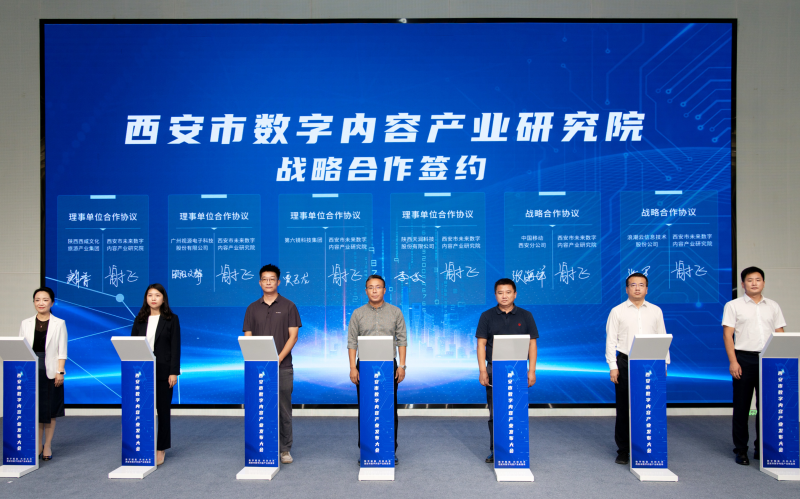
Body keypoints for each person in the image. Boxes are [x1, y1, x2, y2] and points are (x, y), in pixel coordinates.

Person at [722, 266, 786, 466]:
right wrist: (733, 361)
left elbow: (780, 332)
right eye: (750, 280)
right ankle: (741, 450)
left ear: (763, 283)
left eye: (758, 280)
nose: (754, 283)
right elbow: (727, 335)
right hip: (744, 359)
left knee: (767, 407)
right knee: (742, 407)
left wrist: (781, 359)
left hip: (769, 359)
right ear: (743, 284)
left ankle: (762, 448)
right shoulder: (733, 305)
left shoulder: (773, 306)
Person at [605, 272, 669, 465]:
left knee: (649, 406)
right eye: (633, 285)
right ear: (627, 289)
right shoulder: (617, 311)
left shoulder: (656, 311)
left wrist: (664, 364)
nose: (637, 288)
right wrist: (613, 366)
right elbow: (611, 340)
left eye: (641, 285)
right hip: (625, 362)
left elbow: (662, 336)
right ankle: (624, 450)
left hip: (651, 363)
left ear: (647, 289)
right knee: (624, 408)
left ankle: (648, 447)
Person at [475, 278, 538, 464]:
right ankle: (496, 450)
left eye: (508, 292)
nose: (504, 296)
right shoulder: (486, 316)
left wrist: (532, 370)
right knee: (496, 412)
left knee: (517, 410)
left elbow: (532, 345)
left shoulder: (526, 316)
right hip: (494, 369)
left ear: (515, 294)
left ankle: (517, 449)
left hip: (519, 370)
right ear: (495, 295)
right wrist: (482, 370)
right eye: (500, 293)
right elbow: (481, 344)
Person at [243, 264, 301, 464]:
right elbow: (248, 336)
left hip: (282, 367)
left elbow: (293, 337)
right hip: (258, 369)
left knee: (283, 410)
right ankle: (263, 447)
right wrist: (257, 360)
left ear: (279, 282)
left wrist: (278, 358)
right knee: (259, 408)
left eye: (272, 279)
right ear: (260, 282)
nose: (268, 282)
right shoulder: (252, 308)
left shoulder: (289, 306)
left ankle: (285, 449)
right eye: (265, 279)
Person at [347, 274, 407, 465]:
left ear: (384, 290)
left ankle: (390, 449)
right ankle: (366, 449)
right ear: (366, 291)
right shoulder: (358, 313)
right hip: (364, 366)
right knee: (366, 408)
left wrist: (402, 366)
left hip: (389, 366)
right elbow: (351, 342)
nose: (374, 290)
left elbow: (402, 340)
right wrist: (352, 367)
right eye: (371, 287)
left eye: (378, 287)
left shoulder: (395, 312)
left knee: (389, 408)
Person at [130, 283, 181, 466]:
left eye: (157, 295)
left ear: (163, 298)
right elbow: (133, 345)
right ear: (146, 298)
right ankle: (145, 445)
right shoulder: (139, 319)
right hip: (143, 372)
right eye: (150, 295)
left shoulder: (171, 319)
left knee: (163, 411)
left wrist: (173, 372)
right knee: (143, 410)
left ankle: (161, 448)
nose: (153, 298)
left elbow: (175, 347)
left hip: (164, 372)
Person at [19, 287, 67, 461]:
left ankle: (47, 445)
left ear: (52, 303)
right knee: (36, 410)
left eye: (45, 300)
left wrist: (60, 371)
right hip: (31, 371)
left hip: (51, 371)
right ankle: (37, 444)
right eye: (37, 300)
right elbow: (21, 349)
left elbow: (62, 350)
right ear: (33, 302)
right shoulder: (25, 323)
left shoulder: (59, 323)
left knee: (50, 411)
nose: (41, 303)